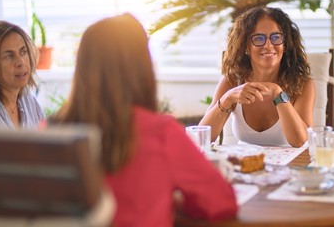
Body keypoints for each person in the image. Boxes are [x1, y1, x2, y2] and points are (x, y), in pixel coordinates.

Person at [49, 14, 237, 227]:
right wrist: (173, 200)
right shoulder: (160, 132)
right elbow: (222, 202)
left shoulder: (50, 132)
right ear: (142, 66)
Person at [199, 6, 314, 147]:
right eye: (259, 38)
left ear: (285, 44)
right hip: (243, 166)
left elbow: (301, 141)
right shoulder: (232, 81)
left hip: (290, 166)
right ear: (246, 47)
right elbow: (201, 138)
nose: (268, 45)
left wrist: (278, 94)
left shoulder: (303, 84)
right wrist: (227, 98)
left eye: (276, 37)